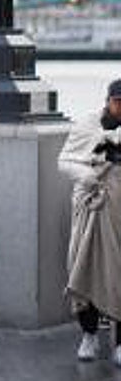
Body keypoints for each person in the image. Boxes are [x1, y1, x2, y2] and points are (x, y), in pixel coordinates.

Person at [60, 78, 121, 365]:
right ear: (108, 100)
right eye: (118, 101)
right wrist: (87, 174)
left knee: (117, 272)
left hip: (117, 210)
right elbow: (65, 160)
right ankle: (89, 335)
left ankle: (119, 342)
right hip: (87, 206)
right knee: (81, 266)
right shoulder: (85, 125)